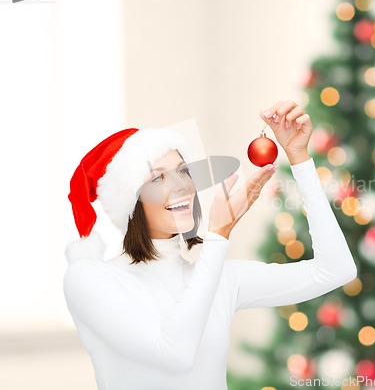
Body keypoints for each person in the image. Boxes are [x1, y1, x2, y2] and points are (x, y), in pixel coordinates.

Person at [63, 100, 358, 390]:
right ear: (131, 202)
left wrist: (300, 159)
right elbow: (174, 354)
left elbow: (336, 270)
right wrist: (218, 236)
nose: (180, 185)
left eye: (183, 171)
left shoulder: (220, 278)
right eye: (157, 178)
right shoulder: (89, 278)